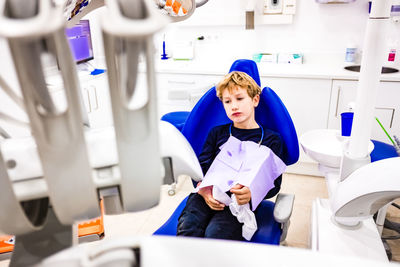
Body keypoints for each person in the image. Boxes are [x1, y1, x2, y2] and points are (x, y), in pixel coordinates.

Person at [176, 71, 283, 241]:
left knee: (215, 236)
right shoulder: (217, 133)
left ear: (255, 100)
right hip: (207, 195)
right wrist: (204, 191)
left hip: (238, 203)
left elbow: (274, 184)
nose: (234, 106)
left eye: (239, 99)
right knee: (188, 230)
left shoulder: (271, 140)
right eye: (228, 101)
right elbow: (201, 169)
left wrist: (251, 193)